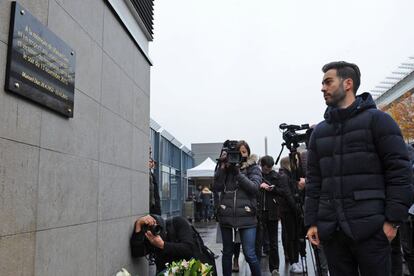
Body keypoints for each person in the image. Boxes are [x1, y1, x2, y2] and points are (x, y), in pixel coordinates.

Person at [305, 61, 413, 276]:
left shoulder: (380, 121)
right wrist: (312, 222)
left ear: (347, 83)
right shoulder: (320, 132)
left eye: (328, 82)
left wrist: (393, 221)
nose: (322, 88)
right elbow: (314, 181)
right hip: (333, 232)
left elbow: (400, 173)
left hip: (372, 230)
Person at [213, 140, 262, 276]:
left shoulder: (253, 168)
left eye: (243, 152)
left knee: (250, 254)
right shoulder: (226, 168)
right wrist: (222, 167)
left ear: (248, 153)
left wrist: (238, 173)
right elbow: (216, 187)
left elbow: (254, 188)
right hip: (226, 215)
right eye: (237, 153)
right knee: (227, 252)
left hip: (247, 216)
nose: (240, 155)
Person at [256, 155, 292, 276]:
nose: (268, 170)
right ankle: (256, 268)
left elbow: (284, 192)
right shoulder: (257, 176)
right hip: (259, 211)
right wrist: (259, 186)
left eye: (270, 168)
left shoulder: (276, 176)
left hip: (272, 212)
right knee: (258, 241)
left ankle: (274, 268)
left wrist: (274, 189)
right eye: (266, 168)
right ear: (261, 165)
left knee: (273, 242)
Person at [130, 214, 196, 274]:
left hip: (192, 270)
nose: (156, 232)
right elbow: (136, 252)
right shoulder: (150, 236)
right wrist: (138, 225)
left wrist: (162, 245)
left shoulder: (178, 223)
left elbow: (189, 249)